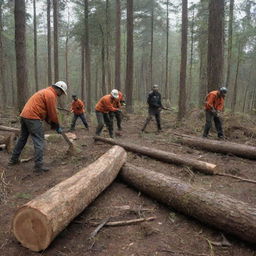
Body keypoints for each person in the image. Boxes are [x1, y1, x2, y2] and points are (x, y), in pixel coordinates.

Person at [8, 81, 68, 173]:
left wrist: (53, 124)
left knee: (22, 139)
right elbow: (52, 112)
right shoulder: (51, 94)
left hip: (24, 116)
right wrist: (56, 125)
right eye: (62, 92)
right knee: (39, 141)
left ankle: (13, 160)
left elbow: (47, 112)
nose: (61, 95)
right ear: (58, 89)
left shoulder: (46, 91)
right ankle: (38, 166)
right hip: (32, 117)